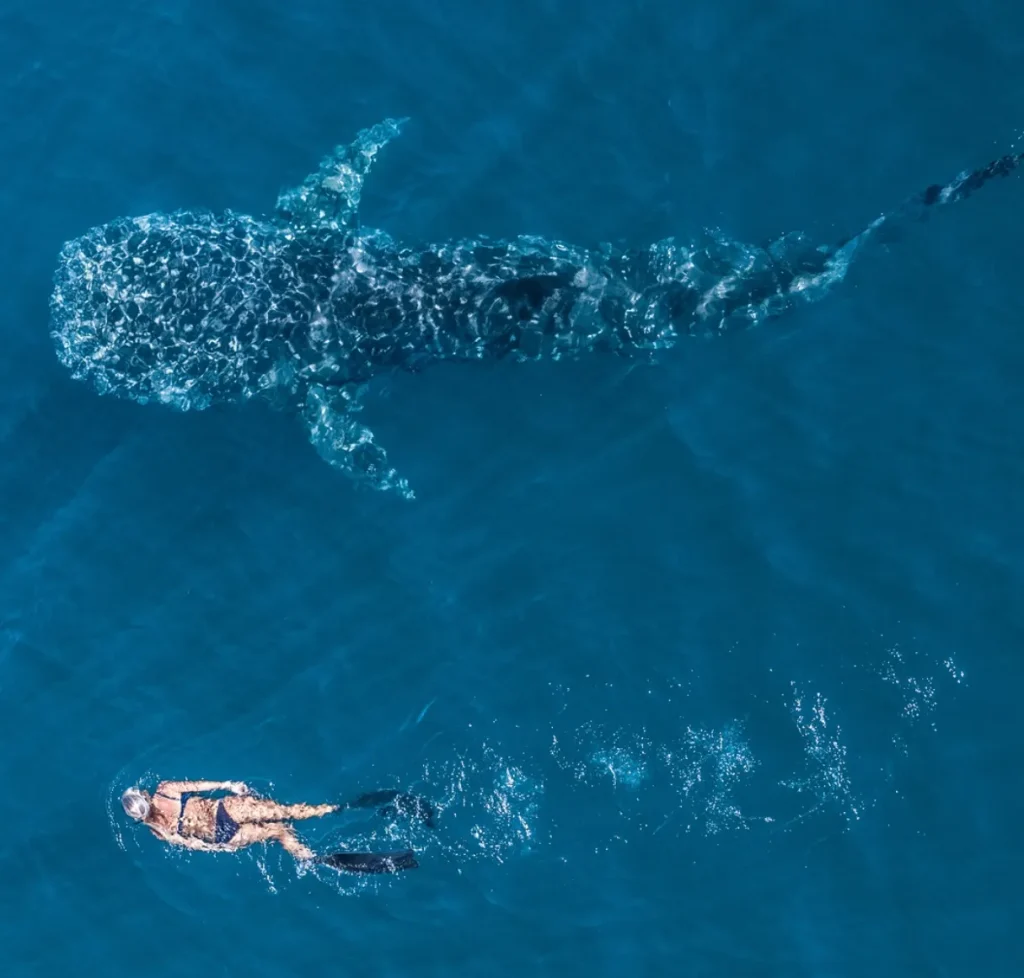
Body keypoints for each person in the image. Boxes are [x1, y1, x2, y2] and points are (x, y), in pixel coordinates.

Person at [121, 779, 434, 873]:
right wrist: (231, 785)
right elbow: (202, 783)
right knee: (293, 813)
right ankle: (343, 807)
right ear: (143, 795)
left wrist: (222, 846)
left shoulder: (156, 831)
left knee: (279, 832)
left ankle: (313, 859)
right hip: (226, 809)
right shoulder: (164, 789)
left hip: (222, 835)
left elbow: (193, 845)